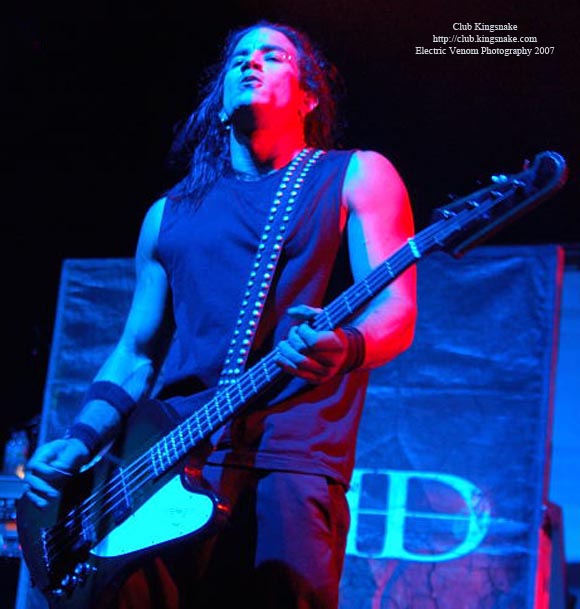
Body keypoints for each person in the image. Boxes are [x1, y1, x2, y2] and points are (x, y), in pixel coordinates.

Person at [23, 20, 417, 609]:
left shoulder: (355, 175)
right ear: (220, 98)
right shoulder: (168, 214)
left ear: (309, 98)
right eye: (239, 57)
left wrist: (346, 345)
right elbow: (136, 352)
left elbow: (397, 309)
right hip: (164, 462)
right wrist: (80, 440)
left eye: (274, 56)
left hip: (291, 457)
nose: (251, 62)